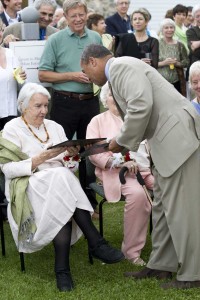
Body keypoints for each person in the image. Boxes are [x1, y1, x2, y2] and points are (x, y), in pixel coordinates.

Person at [81, 44, 200, 290]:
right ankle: (161, 265)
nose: (88, 79)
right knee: (164, 207)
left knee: (183, 210)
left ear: (93, 61)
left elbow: (140, 106)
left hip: (177, 140)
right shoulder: (121, 71)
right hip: (168, 141)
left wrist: (119, 142)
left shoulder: (122, 67)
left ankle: (193, 274)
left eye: (86, 71)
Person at [0, 82, 124, 292]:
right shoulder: (11, 129)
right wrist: (40, 158)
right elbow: (8, 170)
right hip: (29, 185)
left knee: (61, 184)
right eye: (38, 106)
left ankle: (63, 271)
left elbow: (71, 165)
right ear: (23, 106)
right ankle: (95, 243)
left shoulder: (55, 127)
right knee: (61, 178)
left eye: (46, 105)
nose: (44, 111)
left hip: (58, 186)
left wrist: (70, 156)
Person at [38, 0, 102, 211]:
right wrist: (72, 75)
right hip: (64, 102)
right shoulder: (55, 40)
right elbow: (42, 74)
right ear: (65, 16)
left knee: (89, 151)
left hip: (90, 102)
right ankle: (60, 199)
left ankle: (89, 201)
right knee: (61, 149)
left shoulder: (95, 37)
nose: (78, 19)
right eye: (73, 15)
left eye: (81, 15)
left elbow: (101, 68)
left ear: (86, 15)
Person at [86, 82, 154, 266]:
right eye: (111, 95)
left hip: (148, 169)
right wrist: (120, 162)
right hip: (118, 173)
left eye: (119, 95)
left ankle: (175, 245)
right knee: (139, 196)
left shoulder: (136, 118)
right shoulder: (97, 121)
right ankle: (131, 252)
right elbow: (94, 152)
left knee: (176, 189)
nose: (115, 99)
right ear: (105, 99)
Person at [0, 18, 26, 130]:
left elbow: (20, 86)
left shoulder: (10, 53)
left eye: (0, 30)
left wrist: (22, 78)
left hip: (11, 115)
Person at [158, 18, 189, 95]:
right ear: (162, 30)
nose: (169, 30)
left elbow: (186, 62)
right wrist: (164, 63)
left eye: (171, 27)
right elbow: (152, 62)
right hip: (160, 81)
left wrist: (176, 63)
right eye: (166, 28)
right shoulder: (156, 43)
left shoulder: (180, 45)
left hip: (177, 81)